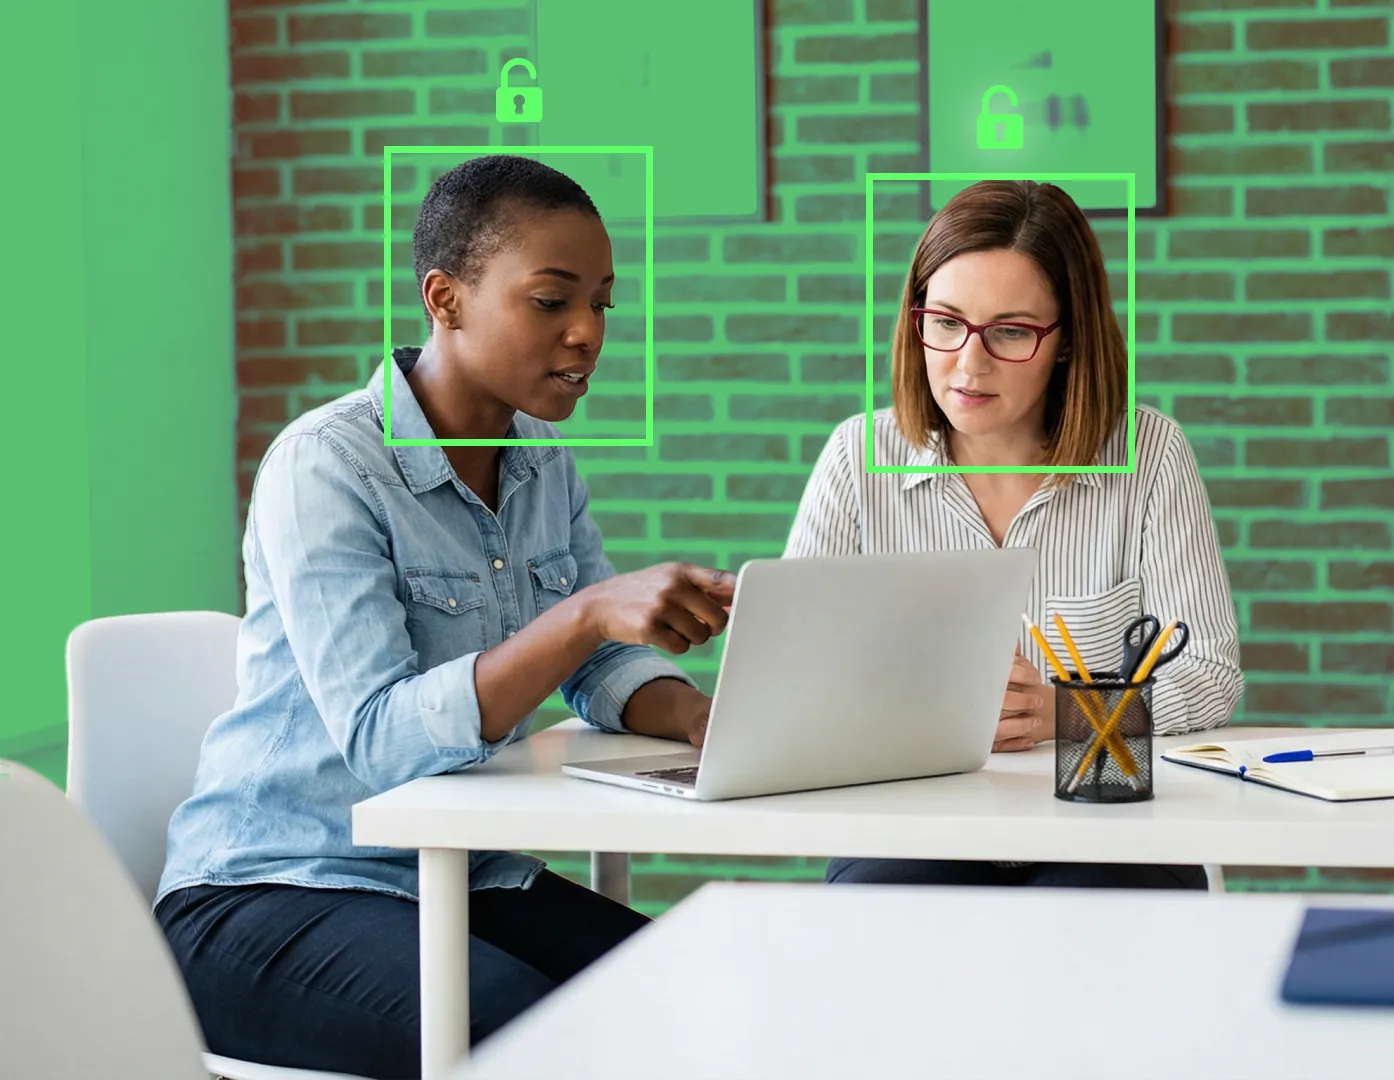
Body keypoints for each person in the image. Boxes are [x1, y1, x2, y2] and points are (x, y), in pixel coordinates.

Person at [155, 155, 736, 1076]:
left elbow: (597, 669)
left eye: (603, 304)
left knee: (703, 995)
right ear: (446, 297)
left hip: (461, 877)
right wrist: (587, 614)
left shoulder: (540, 460)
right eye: (552, 302)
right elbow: (383, 742)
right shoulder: (325, 466)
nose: (587, 332)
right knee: (551, 1039)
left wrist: (728, 721)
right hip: (271, 893)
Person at [785, 179, 1244, 890]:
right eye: (945, 322)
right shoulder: (856, 456)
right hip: (914, 826)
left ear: (1067, 341)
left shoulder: (1150, 453)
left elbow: (1210, 676)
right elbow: (791, 678)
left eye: (1010, 332)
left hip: (1108, 824)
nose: (969, 365)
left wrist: (1072, 712)